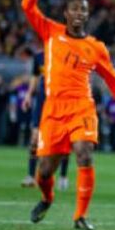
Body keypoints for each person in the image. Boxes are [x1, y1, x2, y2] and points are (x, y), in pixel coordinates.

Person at [22, 0, 115, 230]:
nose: (78, 14)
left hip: (81, 107)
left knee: (84, 153)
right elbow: (27, 5)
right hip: (53, 110)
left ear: (87, 15)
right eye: (74, 9)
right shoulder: (51, 32)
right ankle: (47, 198)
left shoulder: (96, 48)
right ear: (66, 13)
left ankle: (80, 216)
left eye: (83, 10)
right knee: (44, 171)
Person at [21, 49, 70, 190]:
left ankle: (63, 176)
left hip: (61, 103)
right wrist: (28, 95)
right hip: (42, 103)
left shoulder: (64, 53)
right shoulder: (39, 56)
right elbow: (35, 76)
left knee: (63, 140)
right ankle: (31, 176)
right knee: (35, 138)